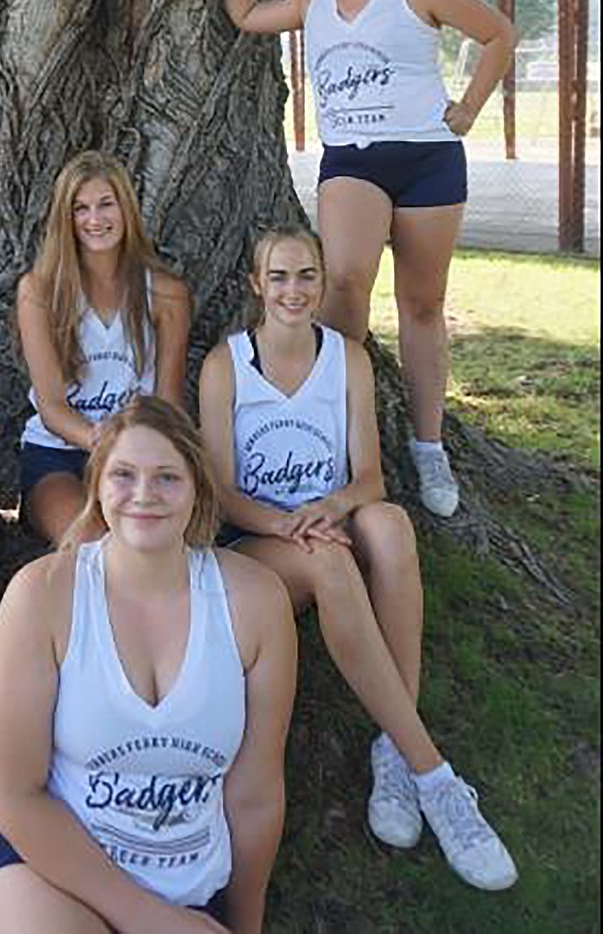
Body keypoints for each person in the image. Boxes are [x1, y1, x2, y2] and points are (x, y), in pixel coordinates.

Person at [199, 225, 517, 892]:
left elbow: (370, 477)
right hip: (261, 544)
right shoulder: (227, 365)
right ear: (257, 285)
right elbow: (220, 495)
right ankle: (432, 772)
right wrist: (291, 526)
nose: (293, 290)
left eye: (306, 276)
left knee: (394, 525)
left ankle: (393, 758)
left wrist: (333, 508)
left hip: (333, 518)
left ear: (322, 282)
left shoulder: (348, 358)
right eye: (279, 277)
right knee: (331, 562)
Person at [219, 0, 516, 516]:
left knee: (423, 303)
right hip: (354, 160)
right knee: (346, 282)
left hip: (429, 158)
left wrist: (468, 109)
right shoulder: (312, 1)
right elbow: (246, 15)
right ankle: (330, 426)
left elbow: (499, 34)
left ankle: (428, 445)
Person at [0, 398, 296, 934]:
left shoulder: (254, 600)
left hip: (188, 882)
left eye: (167, 477)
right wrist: (150, 920)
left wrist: (244, 925)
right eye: (123, 474)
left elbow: (255, 793)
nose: (144, 494)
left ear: (198, 489)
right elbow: (14, 795)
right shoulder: (43, 594)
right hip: (48, 869)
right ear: (95, 486)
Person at [16, 151, 191, 543]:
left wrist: (134, 454)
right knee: (93, 541)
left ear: (126, 208)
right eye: (81, 208)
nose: (95, 219)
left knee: (153, 541)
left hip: (143, 453)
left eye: (106, 204)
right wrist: (103, 440)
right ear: (67, 219)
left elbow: (168, 403)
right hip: (60, 456)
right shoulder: (39, 292)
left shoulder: (166, 293)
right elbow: (52, 408)